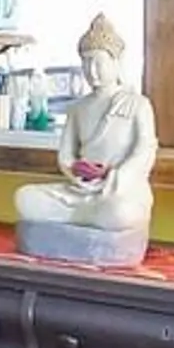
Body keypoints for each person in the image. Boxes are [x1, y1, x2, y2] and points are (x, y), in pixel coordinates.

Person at [15, 13, 155, 257]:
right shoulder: (78, 108)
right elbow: (66, 155)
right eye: (86, 63)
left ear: (116, 62)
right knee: (25, 198)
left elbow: (145, 150)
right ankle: (84, 214)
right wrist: (76, 172)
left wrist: (114, 176)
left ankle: (88, 215)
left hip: (118, 190)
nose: (92, 71)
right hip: (80, 191)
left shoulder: (137, 104)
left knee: (121, 212)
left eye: (99, 62)